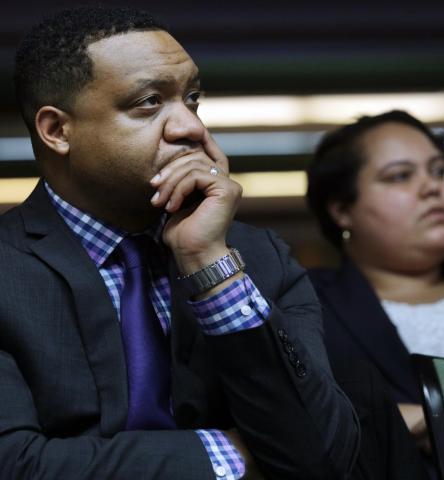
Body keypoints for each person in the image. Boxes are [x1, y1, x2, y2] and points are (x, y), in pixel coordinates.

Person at [0, 5, 361, 480]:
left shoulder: (258, 258)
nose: (191, 127)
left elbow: (324, 456)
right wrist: (225, 457)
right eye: (149, 102)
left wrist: (208, 261)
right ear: (57, 130)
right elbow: (14, 463)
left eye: (191, 99)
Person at [306, 110, 444, 474]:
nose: (432, 187)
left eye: (438, 171)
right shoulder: (309, 306)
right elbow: (299, 416)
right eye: (400, 176)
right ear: (342, 210)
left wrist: (429, 420)